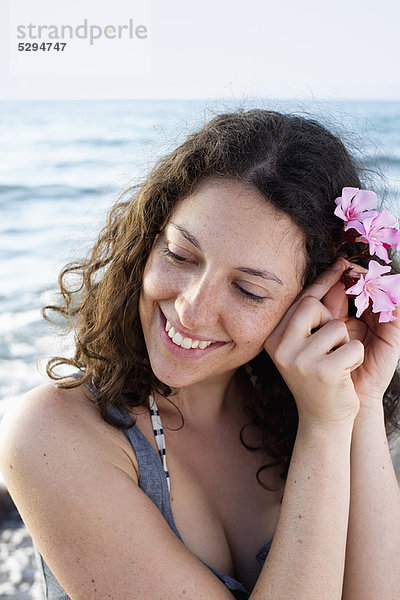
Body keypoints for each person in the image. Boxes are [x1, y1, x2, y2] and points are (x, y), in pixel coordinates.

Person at [0, 108, 399, 600]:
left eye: (248, 290)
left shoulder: (304, 408)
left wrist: (356, 404)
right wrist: (324, 429)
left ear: (311, 302)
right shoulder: (52, 432)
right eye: (181, 255)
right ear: (148, 240)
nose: (191, 309)